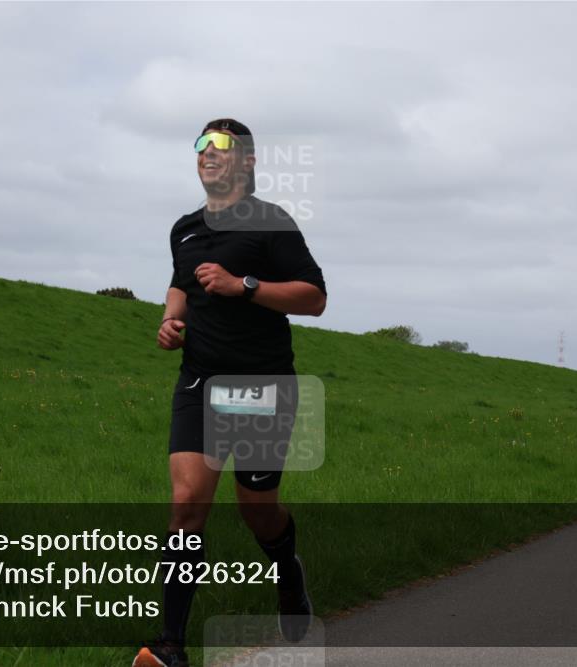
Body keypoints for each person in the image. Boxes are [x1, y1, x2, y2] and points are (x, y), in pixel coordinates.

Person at [133, 119, 327, 667]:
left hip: (263, 385)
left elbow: (314, 297)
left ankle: (287, 572)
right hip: (201, 381)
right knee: (186, 505)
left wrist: (245, 286)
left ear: (246, 162)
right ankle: (171, 646)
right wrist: (171, 321)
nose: (207, 153)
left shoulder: (272, 223)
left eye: (220, 146)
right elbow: (180, 285)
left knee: (256, 509)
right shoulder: (186, 229)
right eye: (200, 144)